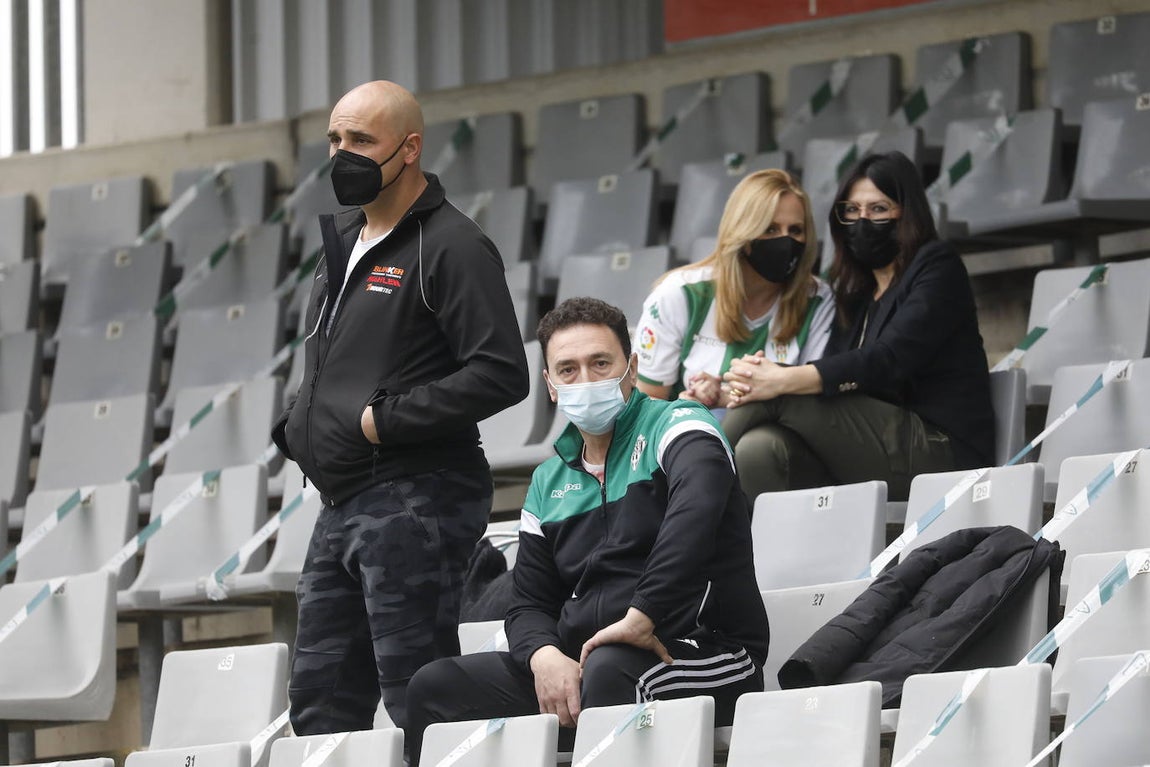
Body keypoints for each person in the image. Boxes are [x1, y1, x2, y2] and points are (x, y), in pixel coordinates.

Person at [404, 298, 769, 764]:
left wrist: (643, 615)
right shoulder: (547, 480)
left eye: (601, 364)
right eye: (568, 370)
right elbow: (529, 604)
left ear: (631, 368)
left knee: (611, 671)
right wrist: (544, 656)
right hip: (592, 662)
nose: (586, 380)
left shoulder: (680, 426)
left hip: (703, 650)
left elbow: (695, 513)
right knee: (434, 688)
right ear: (551, 386)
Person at [271, 80, 530, 735]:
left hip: (417, 499)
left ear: (410, 148)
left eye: (361, 140)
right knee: (320, 703)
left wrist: (384, 419)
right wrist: (301, 423)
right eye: (334, 139)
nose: (342, 154)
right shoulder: (344, 244)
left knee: (420, 697)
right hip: (341, 504)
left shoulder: (450, 245)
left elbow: (502, 372)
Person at [720, 151, 995, 503]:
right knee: (760, 449)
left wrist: (781, 378)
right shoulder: (857, 292)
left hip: (940, 452)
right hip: (872, 447)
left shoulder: (937, 266)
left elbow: (890, 360)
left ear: (907, 212)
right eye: (851, 210)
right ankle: (747, 556)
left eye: (878, 209)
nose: (862, 221)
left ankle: (679, 492)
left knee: (781, 391)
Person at [634, 169, 834, 409]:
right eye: (770, 229)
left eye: (795, 230)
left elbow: (812, 399)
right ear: (742, 233)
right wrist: (685, 407)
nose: (786, 241)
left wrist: (725, 396)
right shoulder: (680, 294)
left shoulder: (818, 299)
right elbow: (648, 402)